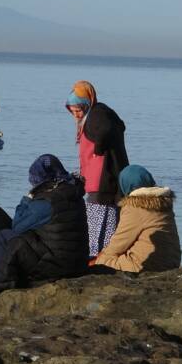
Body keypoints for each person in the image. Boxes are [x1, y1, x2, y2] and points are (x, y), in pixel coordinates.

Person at [0, 154, 89, 291]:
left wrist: (27, 199)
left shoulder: (46, 203)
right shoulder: (74, 194)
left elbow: (16, 226)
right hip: (78, 261)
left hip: (56, 265)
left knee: (6, 237)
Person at [65, 80, 129, 257]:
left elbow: (105, 131)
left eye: (78, 110)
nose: (76, 115)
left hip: (103, 183)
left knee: (100, 228)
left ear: (87, 103)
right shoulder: (96, 114)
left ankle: (99, 260)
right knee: (101, 226)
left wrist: (98, 148)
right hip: (98, 182)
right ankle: (100, 258)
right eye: (73, 111)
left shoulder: (97, 114)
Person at [94, 165, 181, 273]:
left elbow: (120, 242)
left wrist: (101, 256)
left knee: (102, 261)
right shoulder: (164, 202)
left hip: (147, 264)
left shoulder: (134, 206)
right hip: (173, 261)